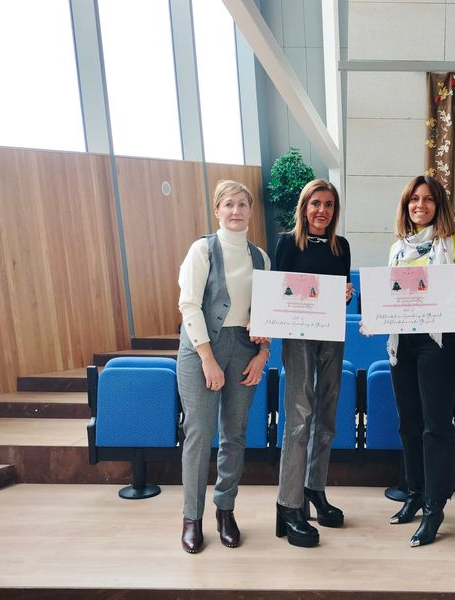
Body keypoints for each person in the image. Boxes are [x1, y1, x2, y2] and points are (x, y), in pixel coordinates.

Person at [177, 180, 271, 553]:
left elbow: (267, 314)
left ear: (250, 210)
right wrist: (208, 359)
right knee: (199, 434)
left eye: (242, 205)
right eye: (228, 204)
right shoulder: (202, 249)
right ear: (217, 210)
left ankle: (225, 511)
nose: (236, 211)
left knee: (235, 432)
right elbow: (189, 305)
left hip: (244, 350)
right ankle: (191, 518)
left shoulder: (261, 257)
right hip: (202, 346)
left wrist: (263, 356)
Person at [386, 175, 455, 547]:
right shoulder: (397, 247)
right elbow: (391, 294)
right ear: (406, 205)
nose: (420, 205)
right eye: (414, 199)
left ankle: (435, 504)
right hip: (402, 340)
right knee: (408, 421)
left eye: (428, 199)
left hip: (439, 340)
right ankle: (414, 492)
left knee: (435, 425)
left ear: (438, 205)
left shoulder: (454, 241)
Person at [274, 179, 353, 548]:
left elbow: (340, 295)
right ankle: (289, 504)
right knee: (301, 415)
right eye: (315, 203)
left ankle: (313, 488)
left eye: (329, 205)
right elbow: (277, 292)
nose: (322, 210)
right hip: (298, 335)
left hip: (332, 334)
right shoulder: (288, 242)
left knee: (327, 414)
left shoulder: (342, 247)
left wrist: (348, 295)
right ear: (304, 207)